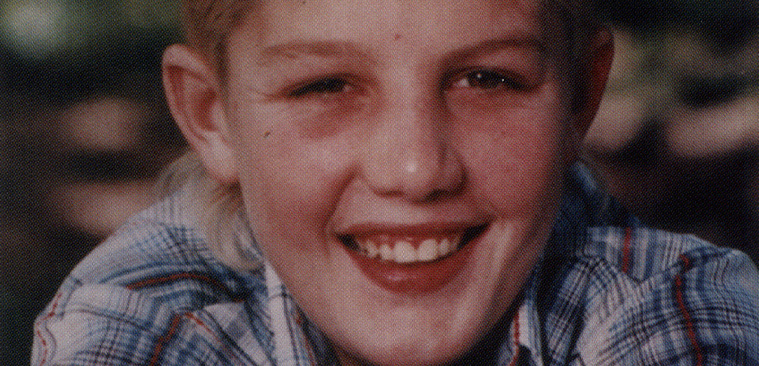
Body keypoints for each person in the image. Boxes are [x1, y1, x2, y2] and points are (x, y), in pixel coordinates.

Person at [31, 1, 759, 365]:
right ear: (211, 116)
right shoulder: (143, 315)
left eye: (486, 79)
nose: (415, 171)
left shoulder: (670, 305)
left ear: (577, 98)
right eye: (325, 84)